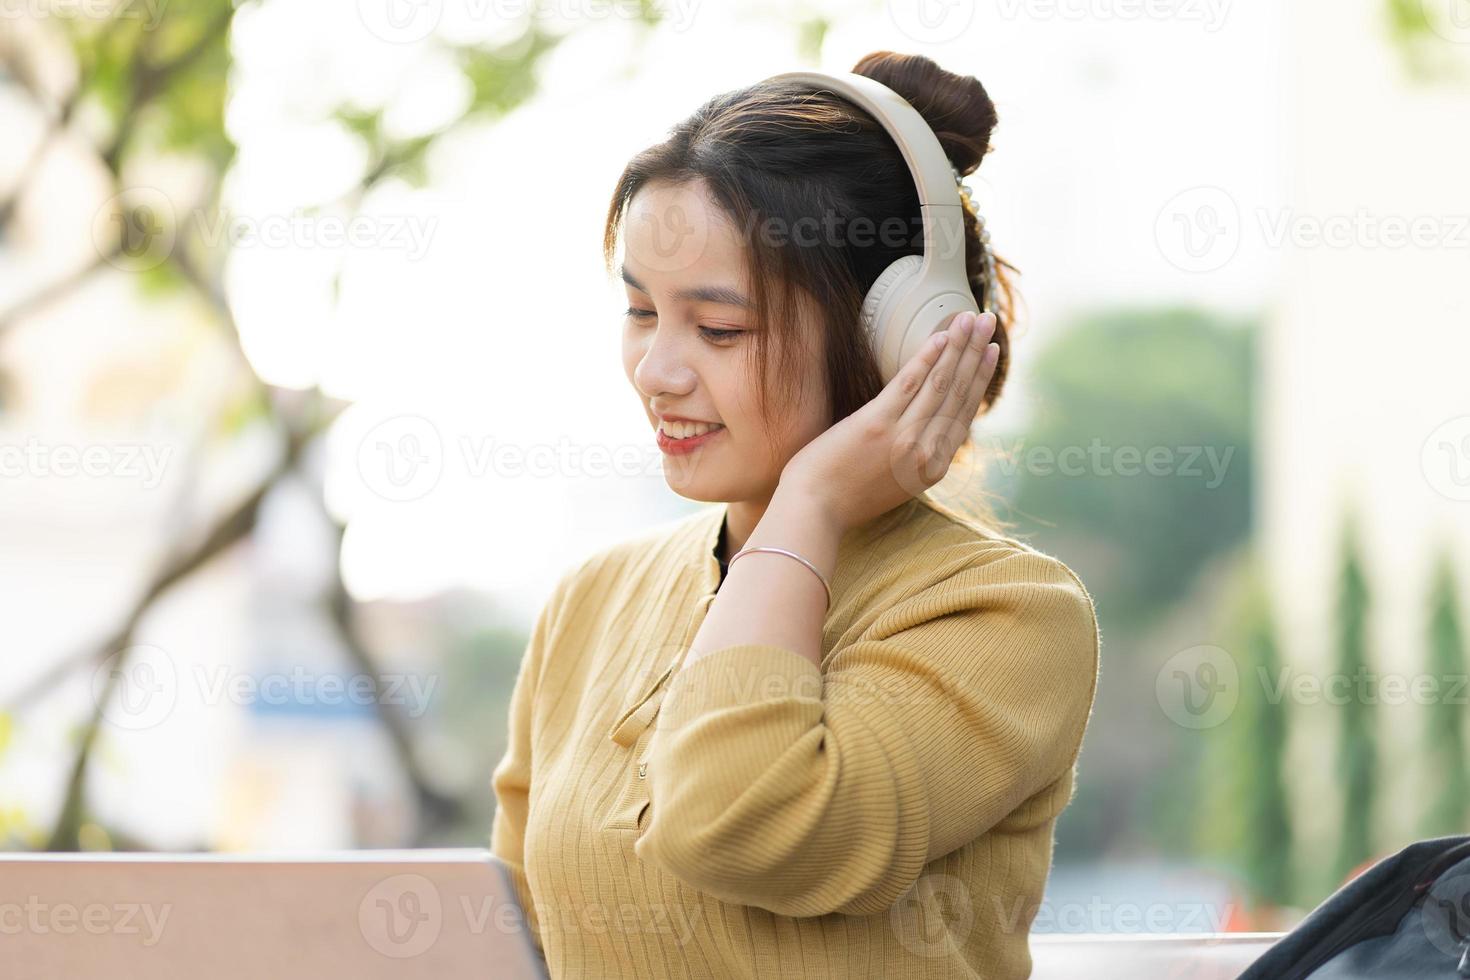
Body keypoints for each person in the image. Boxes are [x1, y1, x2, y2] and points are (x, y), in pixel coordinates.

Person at [490, 50, 1101, 979]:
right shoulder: (591, 602)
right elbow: (509, 934)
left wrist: (810, 500)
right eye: (642, 312)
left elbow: (741, 825)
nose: (659, 371)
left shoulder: (1009, 617)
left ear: (894, 338)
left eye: (721, 328)